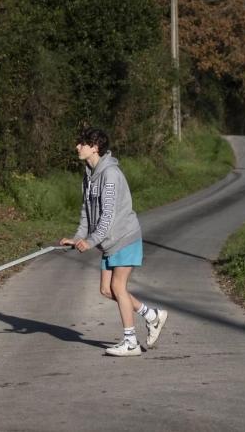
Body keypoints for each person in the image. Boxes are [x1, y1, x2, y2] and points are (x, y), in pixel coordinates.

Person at [60, 127, 167, 357]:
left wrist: (90, 242)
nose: (77, 147)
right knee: (106, 290)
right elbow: (86, 213)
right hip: (110, 242)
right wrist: (78, 237)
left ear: (95, 147)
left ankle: (131, 342)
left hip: (124, 237)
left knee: (118, 287)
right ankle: (152, 315)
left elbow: (107, 216)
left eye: (82, 143)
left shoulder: (110, 175)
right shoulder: (88, 175)